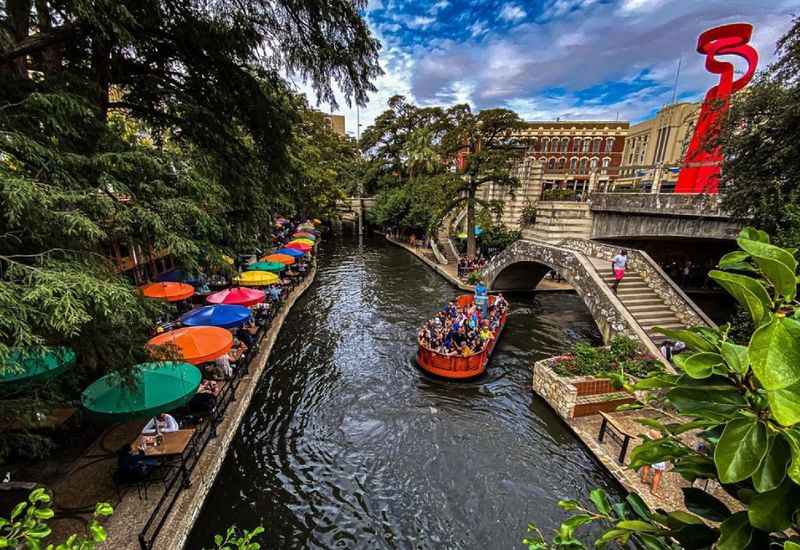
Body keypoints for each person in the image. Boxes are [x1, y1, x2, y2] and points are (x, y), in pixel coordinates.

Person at [640, 430, 668, 495]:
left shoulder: (651, 431)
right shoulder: (660, 437)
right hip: (658, 454)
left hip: (649, 451)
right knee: (658, 473)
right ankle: (654, 490)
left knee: (646, 464)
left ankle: (643, 479)